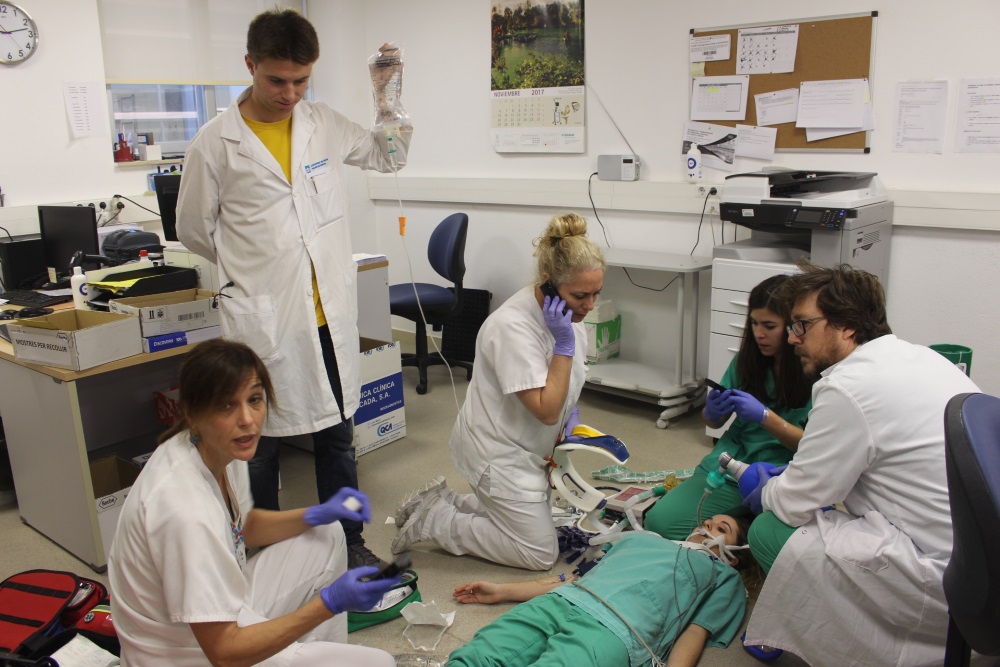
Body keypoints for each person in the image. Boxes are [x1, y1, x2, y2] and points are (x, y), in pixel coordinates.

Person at [176, 8, 411, 569]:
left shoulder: (323, 123)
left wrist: (387, 97)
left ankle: (349, 543)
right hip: (264, 319)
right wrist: (256, 269)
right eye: (277, 80)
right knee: (258, 444)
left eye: (301, 80)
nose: (289, 93)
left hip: (329, 314)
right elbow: (192, 230)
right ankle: (263, 551)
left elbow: (391, 157)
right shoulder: (215, 143)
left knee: (336, 434)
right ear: (250, 65)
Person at [737, 261, 980, 666]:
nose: (793, 338)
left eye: (803, 325)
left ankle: (816, 632)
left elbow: (794, 505)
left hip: (944, 582)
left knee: (768, 529)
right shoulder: (918, 356)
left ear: (847, 326)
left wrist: (767, 490)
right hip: (979, 556)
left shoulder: (846, 386)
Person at [108, 339, 400, 666]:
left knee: (329, 533)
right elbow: (224, 653)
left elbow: (243, 529)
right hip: (185, 655)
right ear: (190, 412)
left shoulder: (216, 447)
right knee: (380, 664)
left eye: (255, 399)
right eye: (226, 406)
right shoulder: (183, 508)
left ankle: (293, 650)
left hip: (218, 616)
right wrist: (328, 604)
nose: (248, 419)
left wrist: (318, 513)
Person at [389, 212, 605, 570]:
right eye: (581, 295)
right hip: (497, 453)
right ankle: (437, 521)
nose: (590, 305)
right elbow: (546, 409)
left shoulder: (568, 318)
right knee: (539, 553)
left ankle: (442, 501)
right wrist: (563, 347)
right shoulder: (512, 327)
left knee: (537, 520)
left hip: (528, 448)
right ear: (549, 283)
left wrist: (571, 416)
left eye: (597, 293)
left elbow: (564, 389)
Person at [447, 514, 758, 667]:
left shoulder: (721, 576)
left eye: (721, 529)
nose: (708, 527)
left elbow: (695, 632)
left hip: (616, 629)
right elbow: (570, 578)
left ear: (734, 557)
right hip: (561, 602)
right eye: (708, 521)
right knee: (475, 655)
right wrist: (501, 591)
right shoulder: (644, 538)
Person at [644, 274, 814, 540]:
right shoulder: (747, 362)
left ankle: (744, 519)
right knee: (658, 522)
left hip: (776, 476)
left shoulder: (816, 373)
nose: (759, 334)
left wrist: (765, 417)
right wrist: (712, 413)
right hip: (728, 467)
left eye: (769, 325)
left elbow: (813, 447)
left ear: (794, 326)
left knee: (778, 543)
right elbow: (712, 423)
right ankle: (739, 518)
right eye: (754, 324)